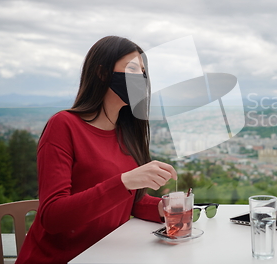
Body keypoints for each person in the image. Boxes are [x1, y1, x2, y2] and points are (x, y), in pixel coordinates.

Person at [17, 36, 178, 264]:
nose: (141, 79)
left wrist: (165, 208)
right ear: (102, 73)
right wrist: (124, 181)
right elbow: (53, 217)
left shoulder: (127, 132)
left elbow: (127, 201)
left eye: (143, 72)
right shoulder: (64, 125)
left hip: (108, 255)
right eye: (132, 69)